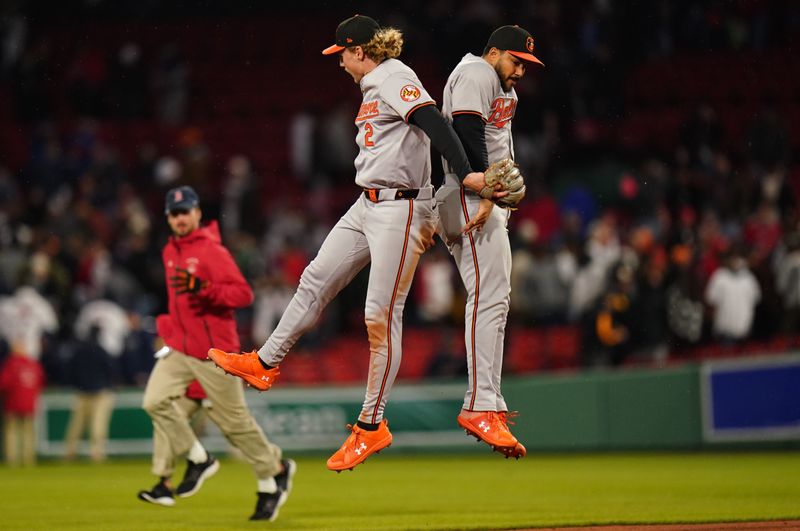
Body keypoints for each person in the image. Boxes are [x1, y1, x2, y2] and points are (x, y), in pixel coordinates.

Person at [209, 14, 506, 472]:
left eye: (343, 54)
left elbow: (433, 122)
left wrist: (467, 173)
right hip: (367, 202)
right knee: (314, 279)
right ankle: (265, 363)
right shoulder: (372, 87)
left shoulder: (394, 75)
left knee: (379, 316)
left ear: (361, 51)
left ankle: (371, 426)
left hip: (402, 208)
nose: (340, 63)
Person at [137, 185, 295, 522]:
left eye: (186, 211)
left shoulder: (211, 251)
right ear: (168, 218)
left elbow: (243, 294)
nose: (180, 218)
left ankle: (274, 473)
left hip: (214, 354)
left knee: (235, 424)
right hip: (180, 350)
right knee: (155, 402)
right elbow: (178, 305)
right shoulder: (169, 251)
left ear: (197, 213)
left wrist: (205, 290)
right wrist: (168, 329)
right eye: (174, 213)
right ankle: (196, 459)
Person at [435, 25, 545, 458]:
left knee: (495, 297)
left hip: (481, 196)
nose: (520, 69)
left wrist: (502, 194)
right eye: (516, 60)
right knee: (488, 296)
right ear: (493, 51)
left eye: (525, 64)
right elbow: (464, 133)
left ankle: (490, 401)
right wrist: (486, 191)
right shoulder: (477, 73)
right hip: (466, 192)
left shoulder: (503, 88)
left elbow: (500, 147)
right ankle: (480, 403)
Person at [0, 344, 45, 466]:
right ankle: (28, 459)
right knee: (28, 433)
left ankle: (12, 459)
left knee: (12, 432)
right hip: (29, 404)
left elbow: (3, 383)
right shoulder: (33, 364)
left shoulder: (10, 364)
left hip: (12, 403)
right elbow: (41, 382)